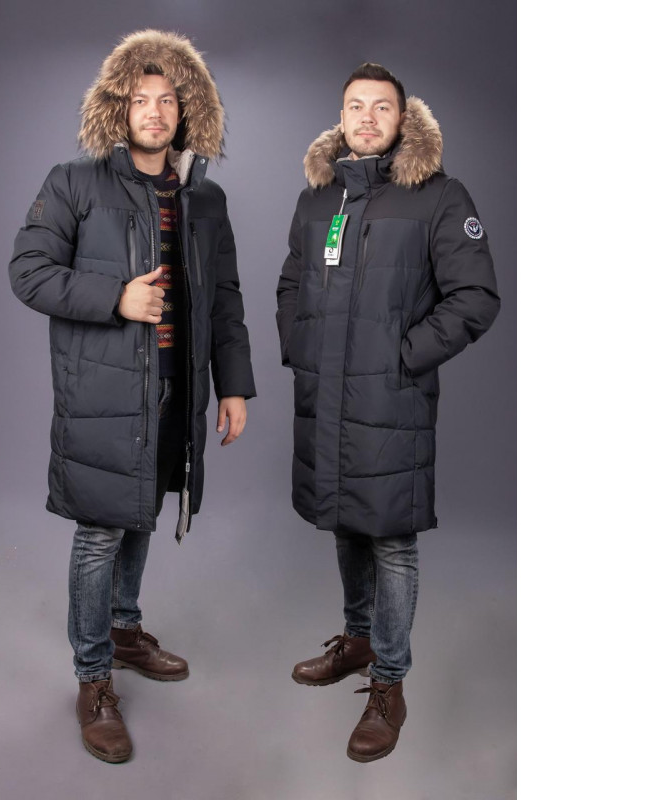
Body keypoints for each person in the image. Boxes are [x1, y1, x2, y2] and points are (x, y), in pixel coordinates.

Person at [9, 29, 255, 763]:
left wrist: (235, 386)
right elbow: (28, 271)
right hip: (105, 391)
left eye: (167, 99)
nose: (154, 111)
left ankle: (122, 629)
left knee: (143, 512)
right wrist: (115, 297)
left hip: (177, 389)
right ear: (119, 109)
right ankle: (93, 679)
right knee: (101, 532)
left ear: (186, 110)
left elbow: (226, 299)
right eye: (140, 99)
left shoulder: (205, 199)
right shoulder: (72, 183)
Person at [276, 63, 500, 763]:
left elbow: (476, 296)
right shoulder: (318, 198)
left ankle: (390, 683)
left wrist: (405, 356)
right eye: (355, 106)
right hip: (326, 396)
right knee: (347, 519)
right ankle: (358, 639)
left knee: (392, 538)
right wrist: (302, 348)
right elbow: (290, 282)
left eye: (381, 107)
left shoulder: (439, 196)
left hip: (391, 400)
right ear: (341, 117)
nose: (367, 118)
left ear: (403, 119)